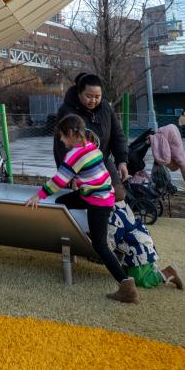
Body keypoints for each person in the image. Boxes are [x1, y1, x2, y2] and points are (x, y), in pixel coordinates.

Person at [27, 114, 139, 303]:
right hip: (99, 193)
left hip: (99, 201)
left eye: (62, 136)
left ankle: (126, 286)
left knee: (100, 245)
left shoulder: (74, 155)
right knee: (64, 202)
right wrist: (79, 183)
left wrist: (39, 196)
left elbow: (58, 181)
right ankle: (78, 232)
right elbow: (92, 173)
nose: (61, 140)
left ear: (71, 133)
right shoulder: (91, 147)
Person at [53, 74, 129, 187]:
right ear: (79, 93)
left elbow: (117, 135)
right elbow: (62, 147)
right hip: (79, 170)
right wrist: (70, 175)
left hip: (103, 164)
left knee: (118, 194)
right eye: (89, 96)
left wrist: (122, 161)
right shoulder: (67, 111)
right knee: (87, 201)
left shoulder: (106, 108)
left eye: (97, 96)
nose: (93, 100)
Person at [108, 183, 184, 290]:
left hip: (137, 251)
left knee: (140, 281)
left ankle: (167, 273)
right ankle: (149, 270)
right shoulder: (124, 207)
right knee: (130, 274)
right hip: (141, 245)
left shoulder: (115, 216)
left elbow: (110, 238)